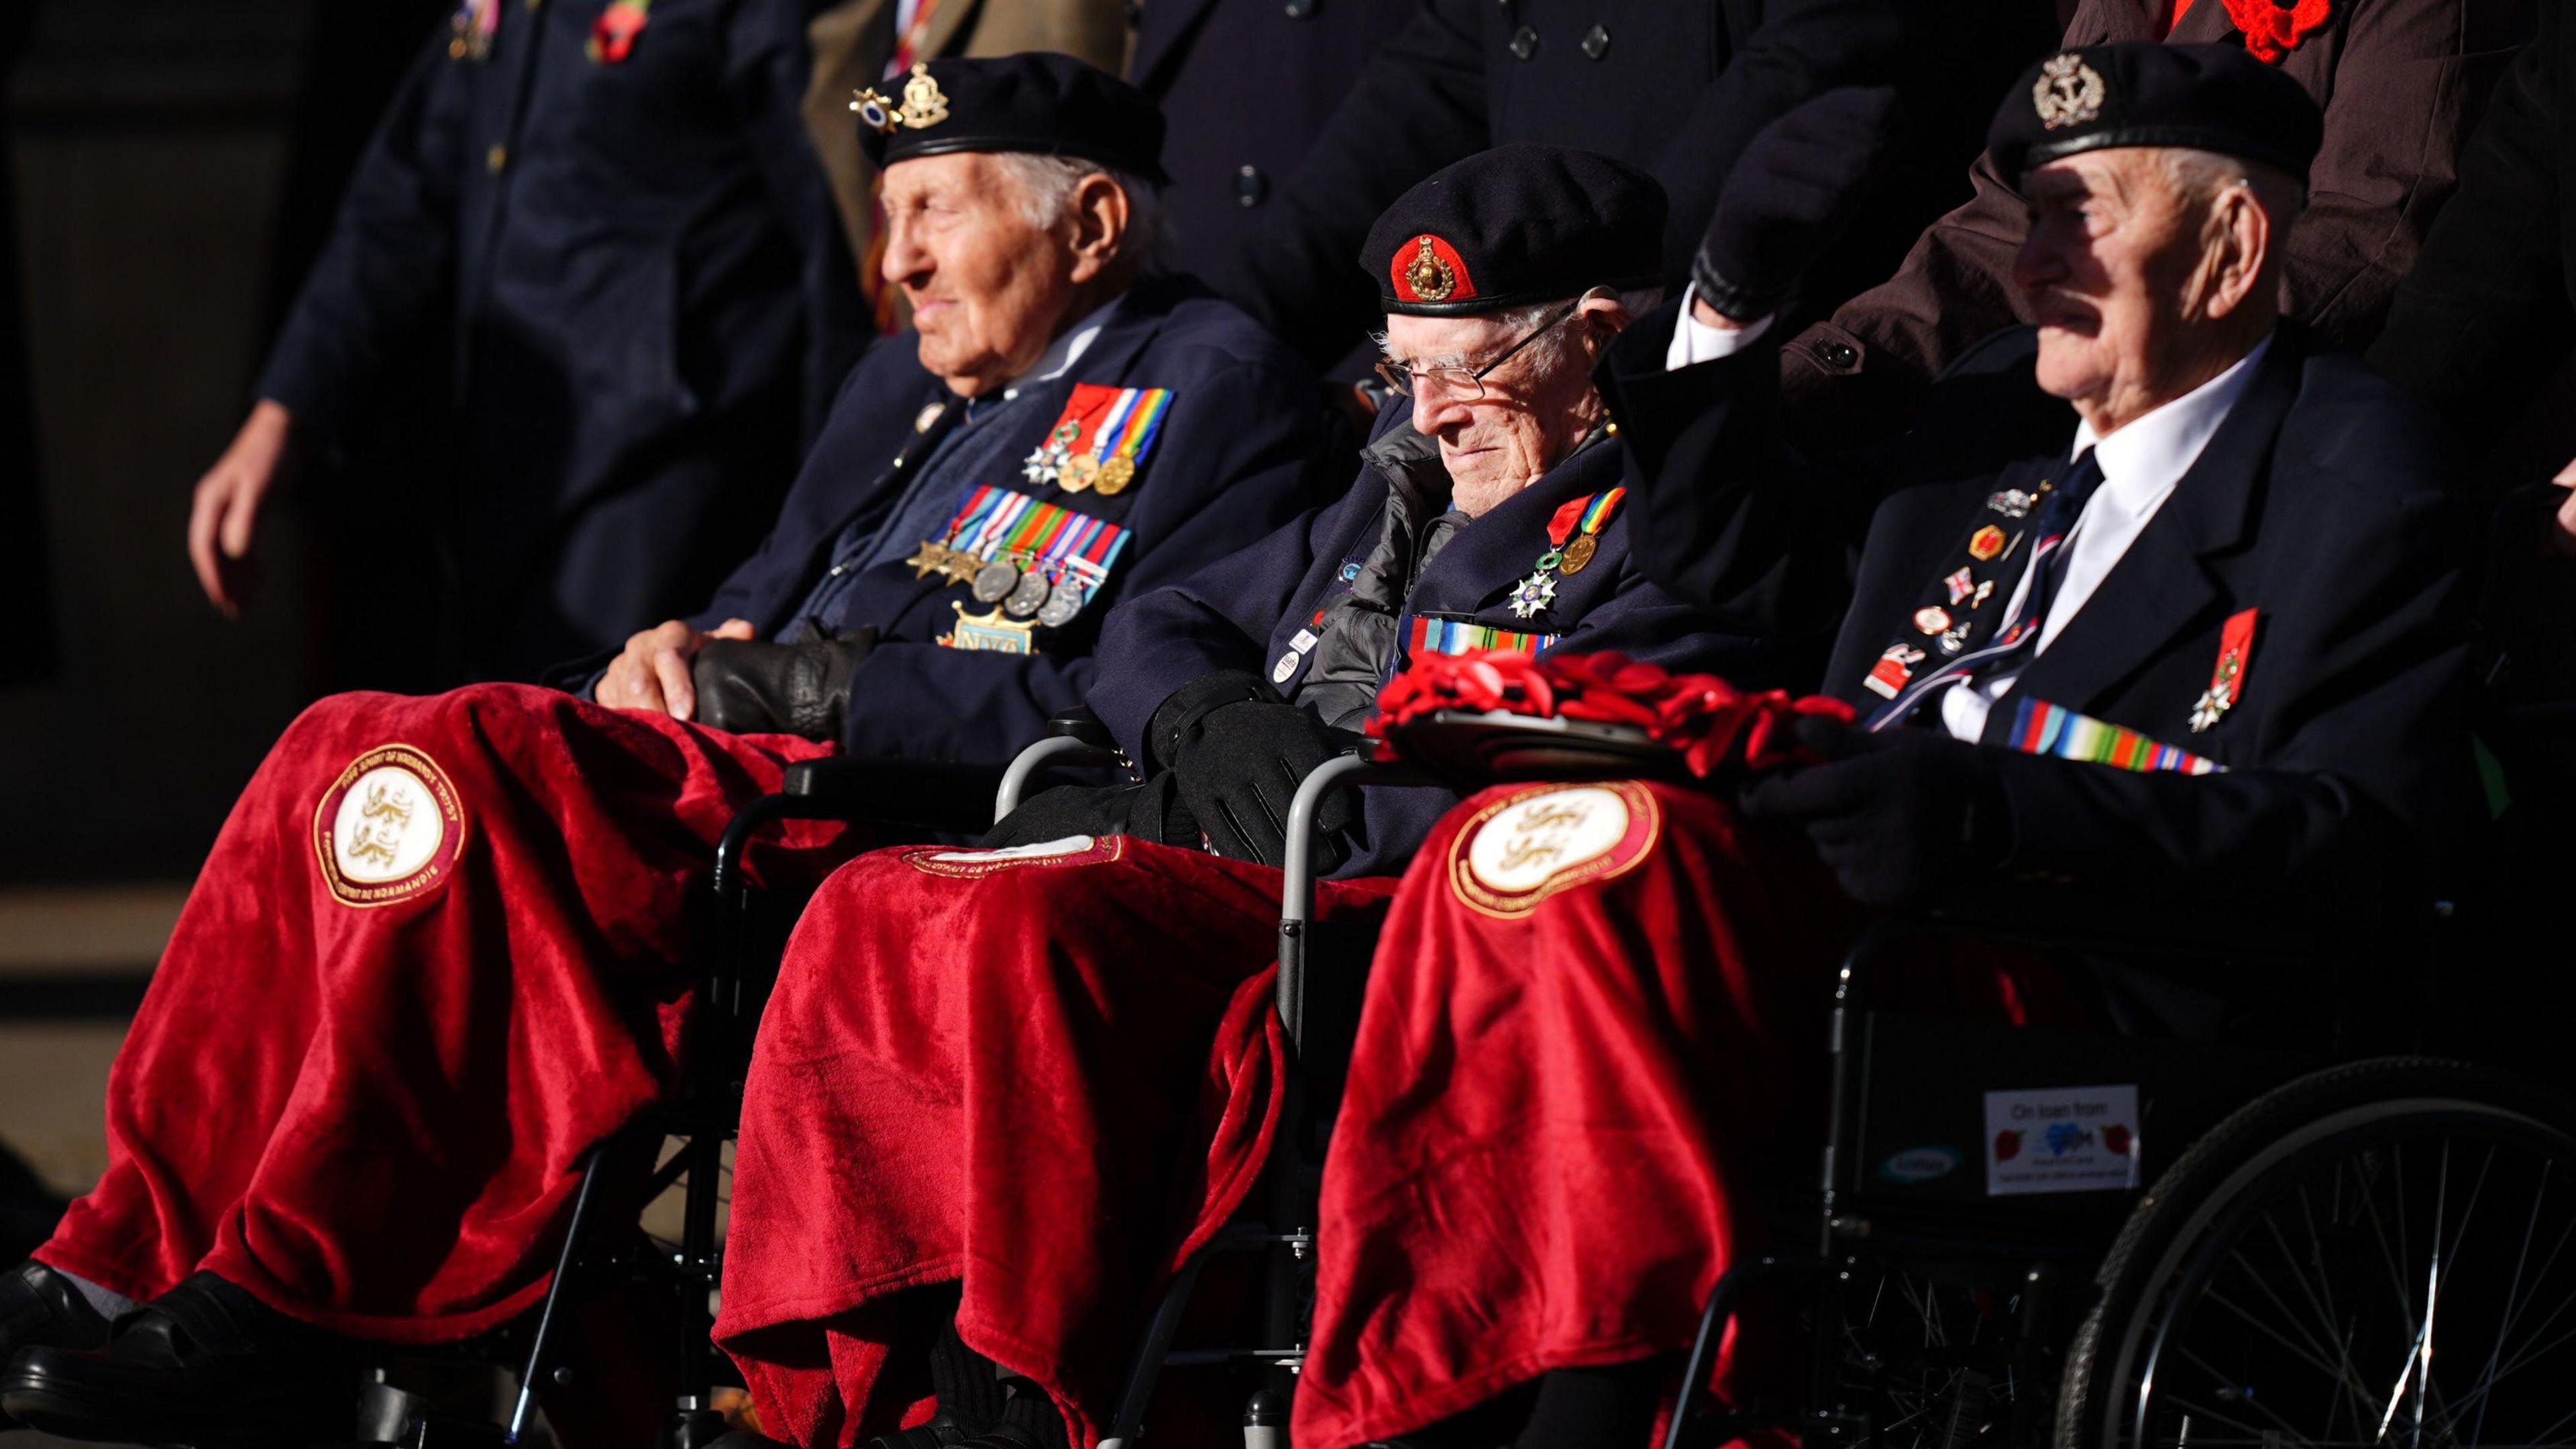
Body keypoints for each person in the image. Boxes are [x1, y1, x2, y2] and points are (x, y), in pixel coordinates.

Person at [0, 54, 1333, 1446]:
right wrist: (674, 651)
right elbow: (766, 598)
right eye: (887, 219)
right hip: (724, 772)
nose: (901, 261)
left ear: (1095, 222)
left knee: (453, 752)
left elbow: (1123, 704)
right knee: (343, 739)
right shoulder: (903, 384)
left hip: (880, 816)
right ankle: (124, 1250)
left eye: (934, 210)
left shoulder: (1215, 380)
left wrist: (804, 686)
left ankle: (304, 1289)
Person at [1293, 47, 2479, 1446]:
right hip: (1854, 944)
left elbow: (2362, 847)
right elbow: (1750, 588)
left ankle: (1586, 1400)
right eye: (2026, 219)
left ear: (2230, 246)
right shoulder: (1989, 411)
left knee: (1617, 878)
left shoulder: (2359, 467)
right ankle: (1471, 1372)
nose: (2034, 266)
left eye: (2078, 218)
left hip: (2088, 990)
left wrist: (1989, 816)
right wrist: (1726, 320)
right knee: (1516, 853)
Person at [707, 146, 1784, 1449]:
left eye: (1471, 368)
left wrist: (1310, 813)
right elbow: (1165, 615)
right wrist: (1209, 720)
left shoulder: (1670, 525)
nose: (1430, 413)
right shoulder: (1396, 483)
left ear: (1598, 340)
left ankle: (1041, 1379)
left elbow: (1587, 795)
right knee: (874, 903)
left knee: (1017, 938)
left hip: (1407, 923)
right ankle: (914, 1375)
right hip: (1245, 863)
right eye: (1405, 371)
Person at [185, 0, 868, 682]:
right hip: (505, 460)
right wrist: (285, 413)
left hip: (664, 469)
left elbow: (833, 245)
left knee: (607, 752)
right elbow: (400, 200)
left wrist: (825, 503)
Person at [1777, 0, 2536, 451]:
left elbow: (2359, 245)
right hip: (2062, 401)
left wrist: (2123, 392)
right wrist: (1838, 367)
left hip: (2223, 436)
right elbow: (2015, 218)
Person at [1220, 0, 1917, 374]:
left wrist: (1535, 342)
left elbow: (1805, 89)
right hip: (1523, 355)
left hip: (1724, 376)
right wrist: (1229, 340)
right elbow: (1427, 93)